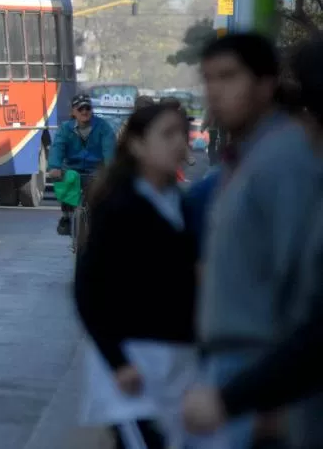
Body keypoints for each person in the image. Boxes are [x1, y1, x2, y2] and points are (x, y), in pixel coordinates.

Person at [184, 37, 323, 449]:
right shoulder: (245, 157)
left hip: (261, 365)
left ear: (265, 84)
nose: (216, 91)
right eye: (208, 79)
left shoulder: (284, 159)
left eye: (229, 77)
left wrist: (271, 398)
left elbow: (301, 282)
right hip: (233, 366)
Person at [75, 102, 198, 449]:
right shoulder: (119, 207)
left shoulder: (180, 203)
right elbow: (88, 291)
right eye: (167, 134)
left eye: (182, 134)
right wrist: (118, 361)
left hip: (177, 365)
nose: (178, 143)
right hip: (134, 366)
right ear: (137, 145)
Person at [48, 94, 117, 235]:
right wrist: (54, 167)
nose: (84, 111)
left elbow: (109, 150)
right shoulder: (65, 129)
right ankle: (66, 216)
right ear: (73, 112)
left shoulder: (103, 127)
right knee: (67, 180)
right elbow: (57, 148)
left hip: (96, 170)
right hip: (72, 170)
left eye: (88, 108)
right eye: (80, 108)